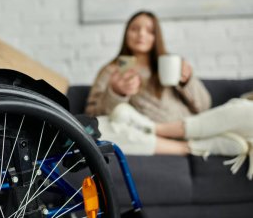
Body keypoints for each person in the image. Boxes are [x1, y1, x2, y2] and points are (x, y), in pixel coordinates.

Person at [85, 10, 253, 178]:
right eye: (135, 29)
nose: (141, 34)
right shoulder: (112, 71)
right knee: (100, 130)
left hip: (193, 127)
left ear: (156, 36)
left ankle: (165, 130)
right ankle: (192, 144)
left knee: (248, 110)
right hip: (149, 138)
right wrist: (116, 92)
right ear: (126, 33)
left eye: (150, 31)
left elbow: (204, 106)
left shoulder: (170, 65)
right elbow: (93, 118)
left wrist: (188, 82)